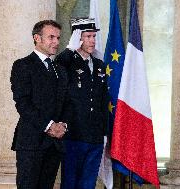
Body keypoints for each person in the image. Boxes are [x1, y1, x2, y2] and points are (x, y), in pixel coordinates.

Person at [10, 20, 68, 189]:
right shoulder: (22, 65)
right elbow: (23, 103)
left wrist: (63, 125)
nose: (56, 42)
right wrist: (49, 126)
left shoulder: (60, 69)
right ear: (37, 38)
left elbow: (66, 102)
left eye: (58, 37)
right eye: (51, 37)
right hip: (31, 142)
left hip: (55, 143)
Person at [55, 18, 109, 189]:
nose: (92, 40)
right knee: (70, 181)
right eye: (88, 37)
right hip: (73, 134)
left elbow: (103, 100)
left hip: (95, 135)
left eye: (93, 36)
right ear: (78, 38)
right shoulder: (67, 61)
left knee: (88, 183)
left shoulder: (99, 64)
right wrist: (69, 49)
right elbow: (55, 70)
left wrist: (106, 131)